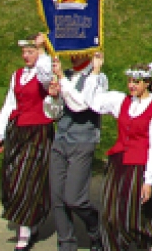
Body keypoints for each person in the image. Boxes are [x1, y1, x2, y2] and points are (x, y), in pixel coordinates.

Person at [79, 57, 152, 251]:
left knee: (136, 214)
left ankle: (148, 245)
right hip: (118, 165)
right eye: (129, 81)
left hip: (140, 168)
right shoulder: (120, 101)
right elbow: (91, 100)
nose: (131, 85)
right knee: (111, 213)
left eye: (136, 82)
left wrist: (149, 180)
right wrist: (95, 71)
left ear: (147, 83)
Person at [0, 34, 55, 251]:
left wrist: (44, 51)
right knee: (11, 176)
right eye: (25, 53)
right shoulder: (18, 75)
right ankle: (31, 218)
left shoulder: (43, 73)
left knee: (26, 178)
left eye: (31, 52)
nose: (26, 56)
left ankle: (25, 230)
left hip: (38, 132)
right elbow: (10, 103)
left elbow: (47, 78)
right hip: (18, 131)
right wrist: (0, 133)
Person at [47, 53, 107, 251]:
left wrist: (62, 82)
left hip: (82, 141)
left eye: (80, 52)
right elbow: (53, 114)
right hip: (61, 140)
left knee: (74, 199)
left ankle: (95, 226)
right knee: (57, 197)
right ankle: (66, 244)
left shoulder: (98, 78)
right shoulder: (65, 75)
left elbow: (81, 104)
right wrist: (54, 97)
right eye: (72, 52)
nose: (74, 56)